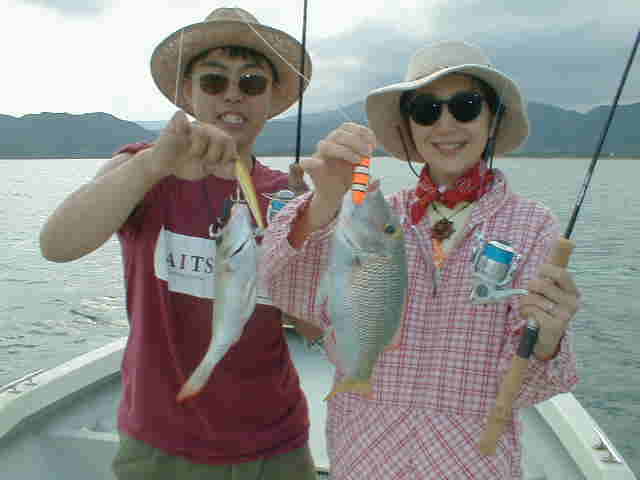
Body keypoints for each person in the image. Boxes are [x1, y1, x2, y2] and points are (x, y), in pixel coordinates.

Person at [261, 40, 581, 479]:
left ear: (492, 120)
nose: (445, 124)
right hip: (365, 452)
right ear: (409, 127)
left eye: (466, 107)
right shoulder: (375, 216)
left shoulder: (534, 226)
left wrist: (548, 340)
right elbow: (285, 287)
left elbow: (532, 385)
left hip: (471, 462)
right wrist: (325, 201)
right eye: (426, 110)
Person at [39, 7, 318, 480]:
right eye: (214, 81)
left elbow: (309, 324)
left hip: (278, 442)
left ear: (272, 98)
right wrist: (154, 164)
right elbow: (56, 244)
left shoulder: (285, 197)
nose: (233, 93)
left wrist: (329, 220)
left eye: (252, 82)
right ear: (188, 93)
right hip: (160, 444)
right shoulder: (143, 168)